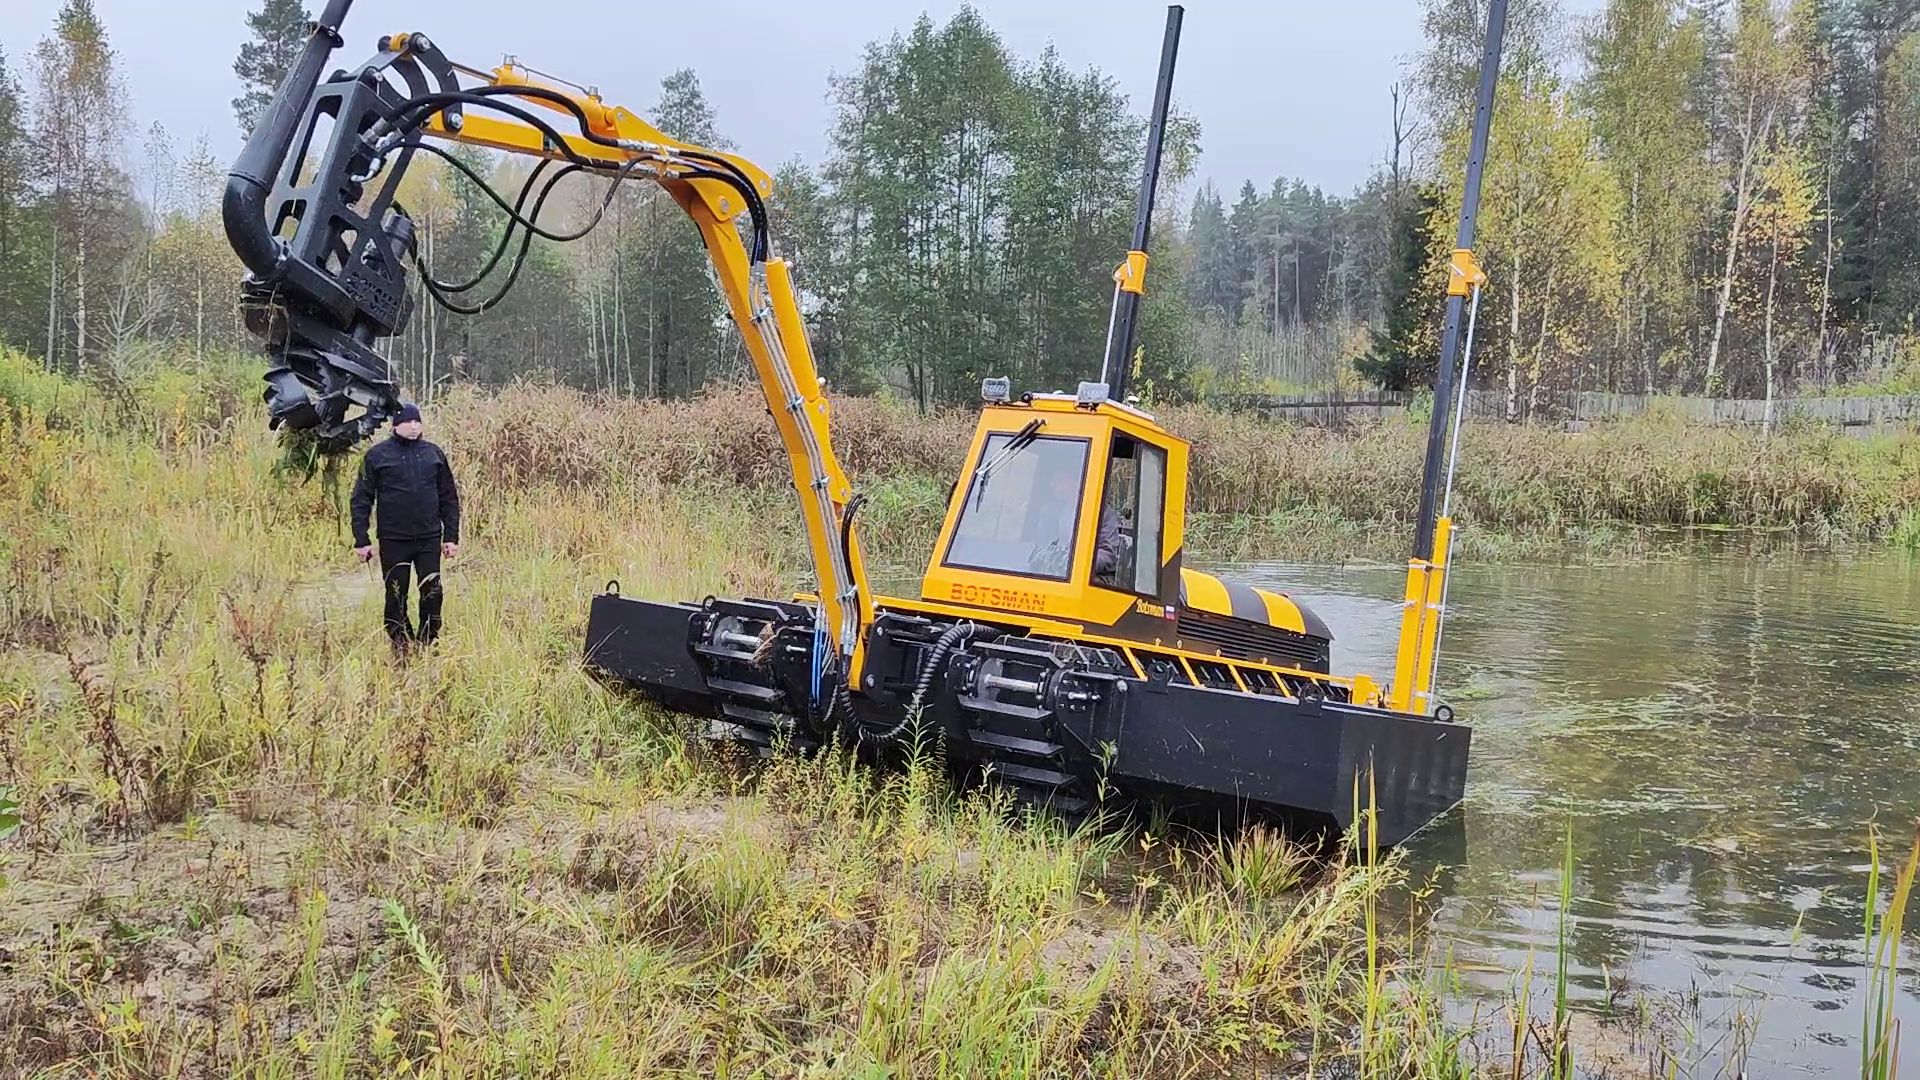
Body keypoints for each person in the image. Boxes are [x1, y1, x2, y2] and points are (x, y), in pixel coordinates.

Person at [350, 402, 461, 653]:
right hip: (393, 540)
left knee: (432, 592)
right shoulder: (377, 456)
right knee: (396, 594)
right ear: (395, 425)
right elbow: (361, 499)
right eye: (408, 422)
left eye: (417, 421)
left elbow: (448, 497)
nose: (413, 426)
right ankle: (401, 644)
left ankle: (428, 641)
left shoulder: (433, 454)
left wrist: (451, 537)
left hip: (429, 538)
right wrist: (361, 539)